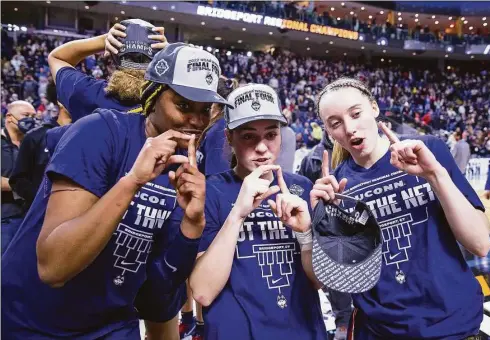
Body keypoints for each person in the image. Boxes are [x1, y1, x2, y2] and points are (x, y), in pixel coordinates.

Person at [1, 43, 230, 339]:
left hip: (111, 322)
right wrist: (132, 181)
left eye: (204, 110)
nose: (196, 122)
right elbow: (54, 267)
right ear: (153, 96)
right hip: (33, 319)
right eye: (184, 105)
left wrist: (192, 225)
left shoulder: (189, 169)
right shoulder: (100, 132)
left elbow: (157, 299)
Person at [316, 77, 490, 339]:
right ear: (329, 133)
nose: (350, 128)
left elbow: (480, 244)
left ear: (374, 108)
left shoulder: (428, 150)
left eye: (356, 113)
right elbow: (344, 281)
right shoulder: (338, 189)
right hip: (380, 330)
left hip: (453, 324)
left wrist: (435, 175)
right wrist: (325, 225)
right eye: (336, 123)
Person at [189, 84, 327, 340]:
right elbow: (202, 291)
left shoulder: (301, 187)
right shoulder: (211, 191)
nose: (262, 148)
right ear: (229, 137)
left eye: (271, 135)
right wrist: (237, 214)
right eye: (249, 136)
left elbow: (319, 281)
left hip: (301, 329)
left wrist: (307, 233)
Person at [179, 76, 239, 340]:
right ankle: (193, 321)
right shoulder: (210, 131)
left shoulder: (218, 132)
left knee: (200, 269)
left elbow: (216, 180)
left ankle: (200, 326)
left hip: (211, 213)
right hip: (201, 210)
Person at [48, 19, 167, 121]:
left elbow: (56, 58)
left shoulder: (88, 92)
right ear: (156, 61)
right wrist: (171, 54)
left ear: (111, 57)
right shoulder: (167, 105)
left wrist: (103, 40)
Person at [297, 131, 352, 340]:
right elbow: (302, 193)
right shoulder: (312, 158)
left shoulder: (355, 150)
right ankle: (343, 320)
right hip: (327, 226)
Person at [9, 83, 72, 210]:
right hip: (41, 217)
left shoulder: (88, 134)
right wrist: (43, 200)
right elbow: (18, 179)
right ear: (60, 101)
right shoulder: (35, 137)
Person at [1, 100, 36, 255]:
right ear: (9, 117)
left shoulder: (32, 144)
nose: (31, 120)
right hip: (4, 217)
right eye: (26, 115)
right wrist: (24, 187)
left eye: (34, 116)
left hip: (28, 218)